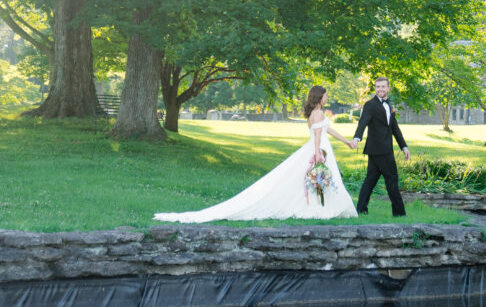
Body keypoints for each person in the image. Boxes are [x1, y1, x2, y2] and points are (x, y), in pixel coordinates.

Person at [153, 86, 358, 223]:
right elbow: (318, 136)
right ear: (319, 96)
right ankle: (320, 208)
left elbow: (326, 131)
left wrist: (347, 141)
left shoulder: (314, 114)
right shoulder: (319, 113)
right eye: (325, 94)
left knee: (314, 182)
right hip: (319, 150)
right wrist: (317, 155)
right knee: (315, 180)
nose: (327, 97)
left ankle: (322, 206)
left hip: (321, 148)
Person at [351, 77, 409, 216]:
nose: (380, 89)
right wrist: (356, 138)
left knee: (370, 180)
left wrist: (404, 146)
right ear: (375, 88)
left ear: (388, 88)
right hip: (381, 149)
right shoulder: (370, 105)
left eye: (383, 87)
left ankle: (361, 209)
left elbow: (394, 128)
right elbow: (363, 122)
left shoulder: (389, 105)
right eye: (378, 87)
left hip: (380, 149)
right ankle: (399, 213)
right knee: (392, 179)